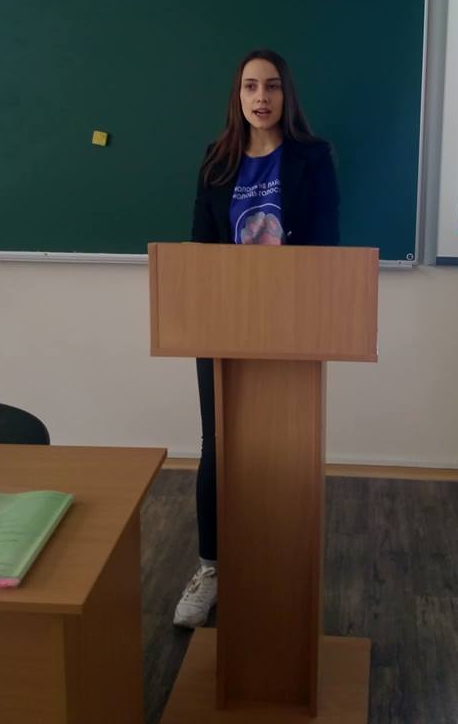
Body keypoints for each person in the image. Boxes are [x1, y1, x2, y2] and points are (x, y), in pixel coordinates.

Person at [173, 48, 339, 628]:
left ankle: (283, 567)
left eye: (271, 86)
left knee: (287, 447)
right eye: (250, 86)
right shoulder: (216, 161)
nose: (261, 97)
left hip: (292, 324)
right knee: (218, 446)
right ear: (237, 96)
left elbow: (324, 246)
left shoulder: (312, 158)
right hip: (223, 324)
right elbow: (199, 249)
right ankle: (212, 568)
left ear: (286, 94)